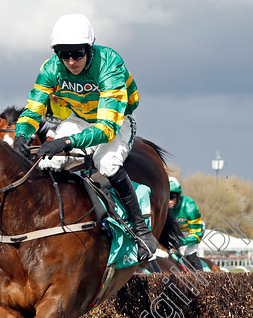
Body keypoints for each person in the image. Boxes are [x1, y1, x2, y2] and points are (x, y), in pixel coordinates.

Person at [12, 14, 158, 263]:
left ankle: (141, 229)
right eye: (63, 54)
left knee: (107, 163)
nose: (70, 61)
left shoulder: (110, 62)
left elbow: (105, 129)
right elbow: (34, 108)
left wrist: (65, 142)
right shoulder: (50, 68)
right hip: (79, 118)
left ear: (90, 49)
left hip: (115, 120)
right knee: (49, 163)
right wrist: (21, 137)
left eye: (77, 54)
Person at [168, 177, 204, 269]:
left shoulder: (189, 206)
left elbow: (197, 235)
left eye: (171, 196)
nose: (168, 200)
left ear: (178, 196)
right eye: (166, 196)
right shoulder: (163, 208)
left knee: (189, 253)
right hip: (177, 233)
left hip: (193, 232)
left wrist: (181, 242)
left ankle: (202, 277)